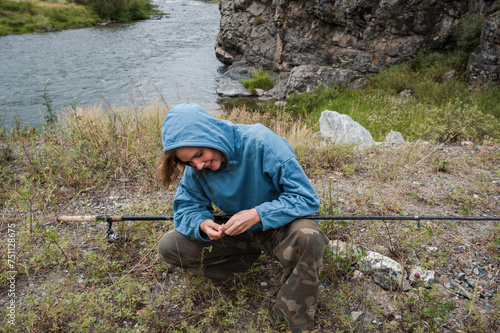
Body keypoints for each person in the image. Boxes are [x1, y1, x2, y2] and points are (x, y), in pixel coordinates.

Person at [156, 103, 328, 332]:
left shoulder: (261, 142)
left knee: (309, 236)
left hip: (280, 227)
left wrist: (258, 214)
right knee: (170, 246)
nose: (198, 165)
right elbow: (187, 207)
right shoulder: (197, 168)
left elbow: (306, 198)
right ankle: (242, 265)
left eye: (199, 154)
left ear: (212, 135)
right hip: (234, 229)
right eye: (189, 162)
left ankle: (290, 318)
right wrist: (203, 224)